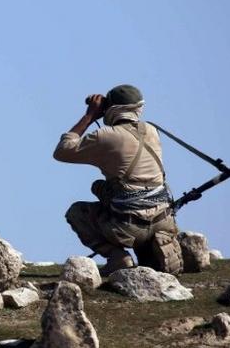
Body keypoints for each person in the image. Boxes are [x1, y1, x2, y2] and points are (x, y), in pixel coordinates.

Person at [53, 84, 183, 276]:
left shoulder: (106, 136)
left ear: (110, 109)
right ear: (138, 108)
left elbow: (62, 151)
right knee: (101, 187)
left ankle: (116, 257)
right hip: (163, 221)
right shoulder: (152, 131)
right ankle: (154, 247)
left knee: (77, 212)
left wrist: (90, 115)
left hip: (128, 227)